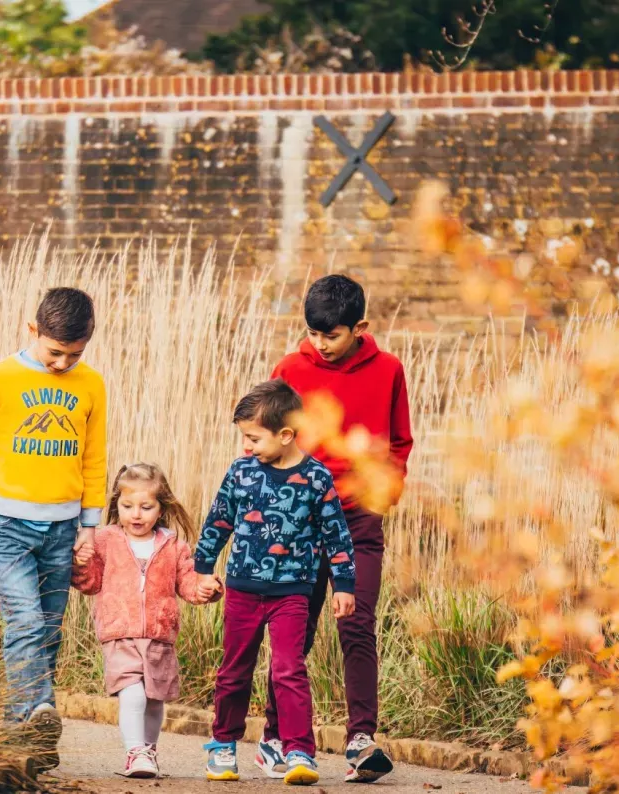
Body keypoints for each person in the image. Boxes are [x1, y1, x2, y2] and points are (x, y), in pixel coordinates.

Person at [0, 287, 108, 772]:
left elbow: (94, 457)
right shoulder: (1, 377)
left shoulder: (92, 385)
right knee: (26, 624)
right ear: (32, 330)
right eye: (55, 352)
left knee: (50, 633)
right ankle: (31, 716)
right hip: (6, 528)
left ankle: (29, 734)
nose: (63, 363)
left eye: (74, 354)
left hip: (62, 530)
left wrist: (89, 526)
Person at [258, 274, 413, 784]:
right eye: (314, 335)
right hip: (299, 521)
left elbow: (400, 440)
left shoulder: (389, 369)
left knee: (357, 625)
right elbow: (268, 438)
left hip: (358, 520)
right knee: (293, 630)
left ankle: (361, 740)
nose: (320, 346)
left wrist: (384, 493)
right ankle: (276, 736)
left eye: (333, 336)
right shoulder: (289, 368)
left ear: (360, 328)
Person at [194, 379, 357, 786]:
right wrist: (202, 566)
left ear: (286, 435)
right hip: (243, 589)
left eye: (254, 438)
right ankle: (223, 746)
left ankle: (297, 749)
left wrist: (344, 583)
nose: (247, 446)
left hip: (293, 592)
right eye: (244, 438)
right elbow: (218, 520)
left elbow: (336, 533)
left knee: (289, 670)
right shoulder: (242, 471)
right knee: (234, 670)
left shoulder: (316, 478)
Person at [71, 463, 222, 779]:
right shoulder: (105, 540)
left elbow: (188, 584)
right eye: (127, 506)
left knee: (154, 699)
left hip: (159, 634)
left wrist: (206, 588)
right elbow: (90, 583)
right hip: (119, 632)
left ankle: (148, 751)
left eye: (145, 507)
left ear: (161, 508)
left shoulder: (173, 546)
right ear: (117, 505)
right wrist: (81, 564)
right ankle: (134, 751)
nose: (135, 514)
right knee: (133, 693)